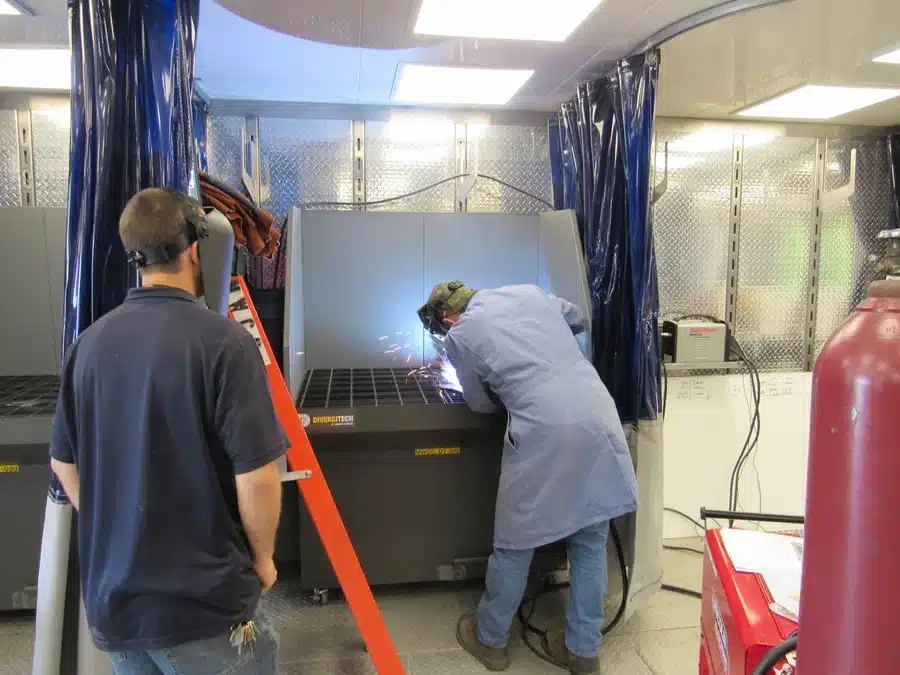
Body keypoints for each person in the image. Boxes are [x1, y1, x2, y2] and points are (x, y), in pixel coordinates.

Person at [49, 188, 288, 674]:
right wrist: (262, 560)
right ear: (196, 249)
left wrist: (114, 531)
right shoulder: (225, 344)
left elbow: (63, 462)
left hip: (118, 608)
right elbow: (260, 475)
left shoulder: (87, 346)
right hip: (201, 609)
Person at [419, 281, 639, 674]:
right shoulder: (528, 292)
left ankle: (490, 640)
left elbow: (480, 403)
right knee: (589, 542)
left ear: (448, 318)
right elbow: (576, 318)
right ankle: (583, 652)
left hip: (544, 430)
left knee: (514, 542)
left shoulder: (462, 335)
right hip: (598, 415)